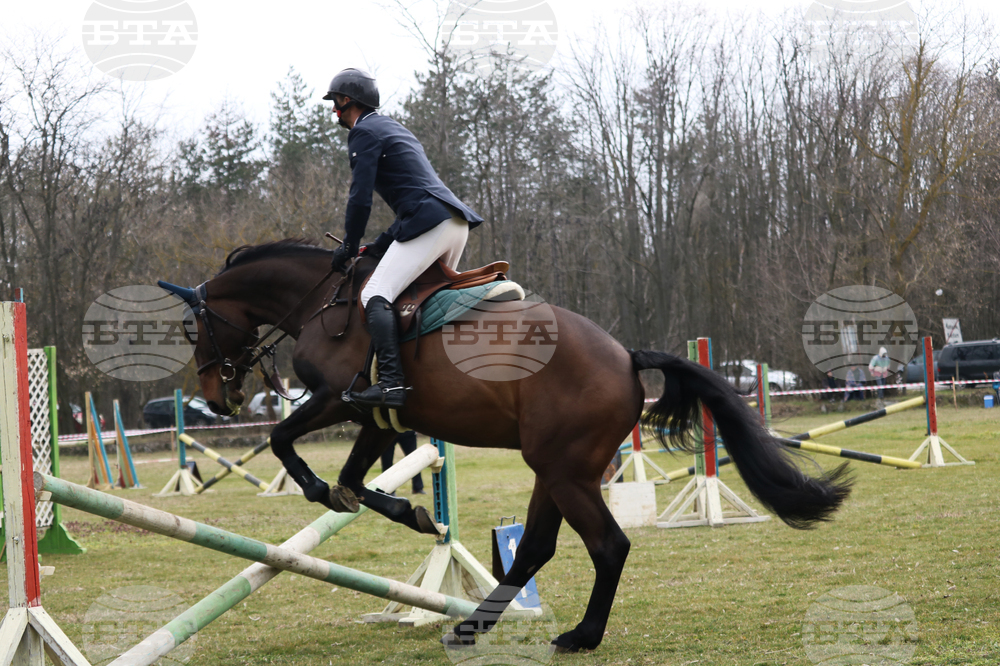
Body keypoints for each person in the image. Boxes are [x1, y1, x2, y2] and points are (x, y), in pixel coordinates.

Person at [324, 68, 484, 410]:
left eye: (335, 102)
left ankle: (393, 385)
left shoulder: (363, 131)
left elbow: (360, 198)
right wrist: (377, 246)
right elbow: (413, 198)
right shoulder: (392, 126)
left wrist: (350, 246)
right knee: (415, 301)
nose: (334, 110)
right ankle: (427, 378)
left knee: (375, 293)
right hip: (452, 223)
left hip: (431, 222)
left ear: (347, 101)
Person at [380, 430, 425, 495]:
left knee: (414, 460)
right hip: (388, 430)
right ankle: (389, 490)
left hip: (407, 430)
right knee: (387, 462)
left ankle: (418, 488)